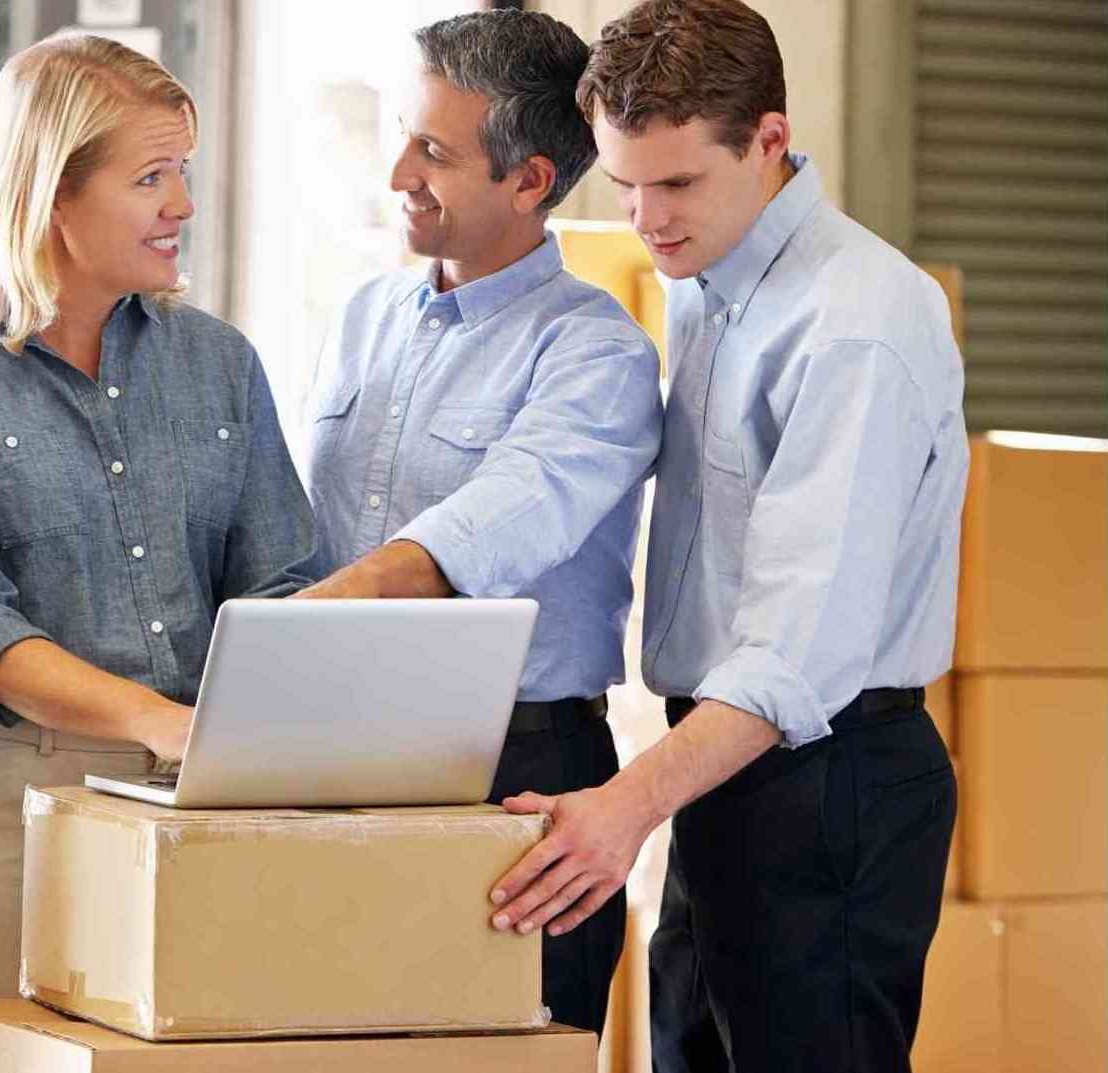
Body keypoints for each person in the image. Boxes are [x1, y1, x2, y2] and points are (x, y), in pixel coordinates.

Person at [487, 3, 967, 1069]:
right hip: (727, 769)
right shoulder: (714, 276)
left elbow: (798, 648)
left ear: (766, 139)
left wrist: (625, 806)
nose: (647, 218)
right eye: (623, 183)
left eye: (676, 183)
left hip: (827, 777)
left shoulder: (854, 322)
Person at [0, 34, 317, 1072]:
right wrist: (163, 722)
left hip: (191, 798)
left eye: (185, 174)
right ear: (52, 194)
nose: (183, 206)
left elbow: (280, 578)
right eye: (150, 177)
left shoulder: (219, 363)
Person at [297, 9, 662, 1034]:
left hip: (515, 782)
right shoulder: (363, 318)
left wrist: (277, 640)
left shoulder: (596, 357)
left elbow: (482, 534)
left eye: (434, 152)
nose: (398, 174)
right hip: (342, 756)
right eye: (404, 137)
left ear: (529, 180)